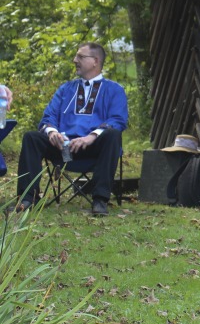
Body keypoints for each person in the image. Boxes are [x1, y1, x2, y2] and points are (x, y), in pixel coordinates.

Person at [15, 43, 128, 216]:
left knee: (113, 135)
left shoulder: (114, 90)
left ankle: (100, 199)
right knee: (31, 137)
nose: (75, 60)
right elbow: (48, 117)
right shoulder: (66, 89)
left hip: (95, 149)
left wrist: (91, 136)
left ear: (95, 61)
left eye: (81, 57)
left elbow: (118, 120)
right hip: (63, 147)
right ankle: (28, 199)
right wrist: (52, 132)